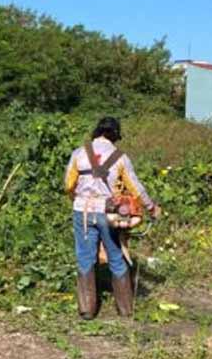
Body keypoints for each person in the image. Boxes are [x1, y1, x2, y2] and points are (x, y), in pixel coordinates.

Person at [64, 117, 161, 319]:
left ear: (96, 131)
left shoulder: (79, 153)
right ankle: (125, 310)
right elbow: (136, 188)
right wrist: (151, 208)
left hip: (82, 210)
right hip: (110, 214)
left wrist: (79, 200)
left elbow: (68, 185)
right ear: (115, 135)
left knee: (85, 259)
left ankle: (87, 310)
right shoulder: (120, 157)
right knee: (116, 256)